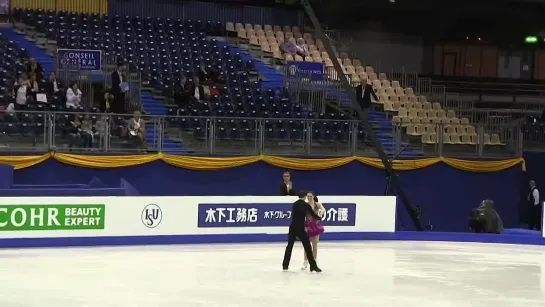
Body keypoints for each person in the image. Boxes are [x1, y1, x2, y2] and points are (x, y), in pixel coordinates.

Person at [282, 190, 322, 272]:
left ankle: (285, 265)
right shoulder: (306, 205)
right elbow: (313, 214)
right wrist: (319, 218)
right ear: (304, 197)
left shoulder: (295, 204)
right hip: (300, 228)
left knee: (289, 246)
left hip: (293, 227)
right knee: (307, 247)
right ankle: (313, 266)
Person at [302, 192, 325, 270]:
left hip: (315, 226)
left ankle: (314, 262)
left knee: (314, 246)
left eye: (310, 196)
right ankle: (305, 261)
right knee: (306, 246)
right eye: (308, 196)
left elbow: (323, 209)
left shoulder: (317, 204)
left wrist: (321, 213)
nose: (309, 197)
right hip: (307, 226)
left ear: (313, 196)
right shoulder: (305, 205)